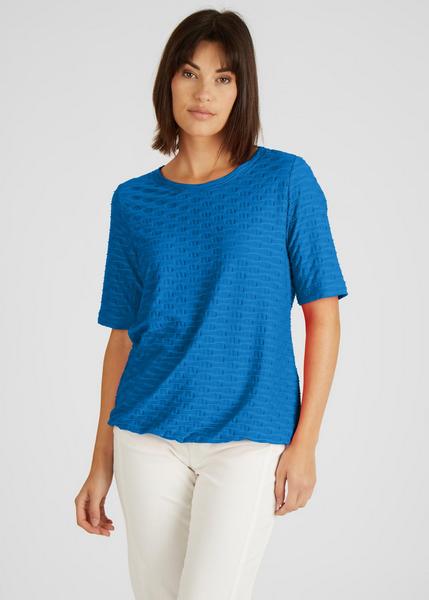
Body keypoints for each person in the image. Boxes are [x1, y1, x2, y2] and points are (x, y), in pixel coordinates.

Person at [75, 8, 349, 600]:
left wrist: (305, 444)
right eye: (190, 73)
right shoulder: (133, 201)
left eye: (224, 77)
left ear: (242, 89)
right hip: (146, 435)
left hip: (249, 436)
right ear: (168, 82)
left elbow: (322, 316)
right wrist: (101, 461)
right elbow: (122, 337)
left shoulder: (285, 181)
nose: (204, 93)